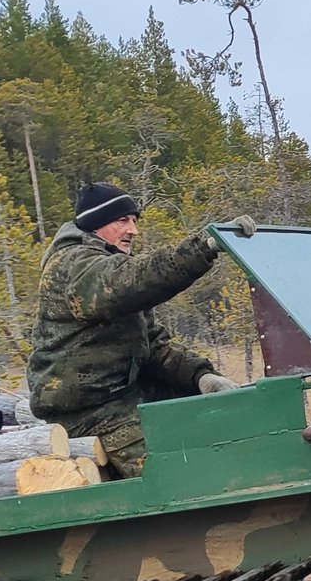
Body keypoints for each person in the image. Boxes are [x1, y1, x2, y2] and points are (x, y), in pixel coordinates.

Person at [27, 181, 254, 477]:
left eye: (134, 221)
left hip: (127, 396)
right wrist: (205, 247)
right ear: (96, 223)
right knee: (182, 470)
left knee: (222, 423)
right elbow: (129, 282)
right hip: (89, 410)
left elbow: (153, 345)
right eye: (122, 220)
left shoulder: (111, 265)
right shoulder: (73, 265)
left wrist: (201, 376)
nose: (133, 230)